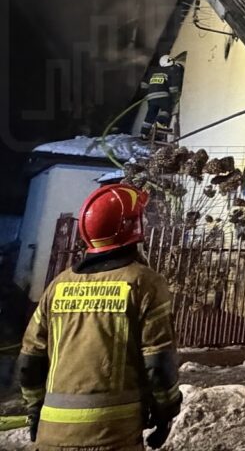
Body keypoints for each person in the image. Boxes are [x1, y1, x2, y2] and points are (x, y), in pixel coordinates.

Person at [17, 184, 182, 450]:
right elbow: (159, 363)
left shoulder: (58, 286)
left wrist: (36, 412)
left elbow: (29, 361)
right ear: (134, 227)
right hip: (113, 435)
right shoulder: (143, 283)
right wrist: (166, 414)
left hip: (51, 434)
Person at [139, 56, 183, 138]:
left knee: (150, 114)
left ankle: (144, 133)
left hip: (151, 97)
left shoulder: (153, 71)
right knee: (166, 110)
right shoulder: (171, 70)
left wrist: (146, 94)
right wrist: (175, 96)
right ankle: (159, 123)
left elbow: (143, 84)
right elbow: (173, 86)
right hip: (163, 95)